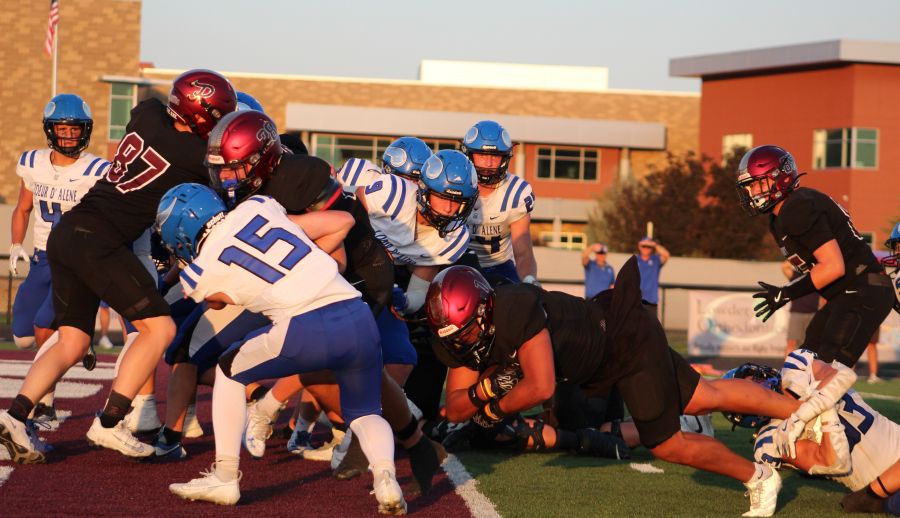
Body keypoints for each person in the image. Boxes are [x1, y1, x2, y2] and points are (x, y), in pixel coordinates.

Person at [425, 258, 808, 517]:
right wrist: (487, 391)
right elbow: (457, 408)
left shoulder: (514, 310)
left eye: (471, 328)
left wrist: (491, 406)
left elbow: (541, 387)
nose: (466, 340)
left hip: (622, 342)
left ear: (486, 309)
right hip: (608, 347)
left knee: (667, 444)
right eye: (457, 335)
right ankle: (804, 411)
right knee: (705, 397)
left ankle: (759, 477)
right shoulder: (456, 339)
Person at [0, 69, 236, 464]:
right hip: (101, 239)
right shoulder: (194, 157)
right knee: (160, 328)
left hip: (67, 230)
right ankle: (109, 424)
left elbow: (152, 119)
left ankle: (15, 417)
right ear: (200, 114)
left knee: (73, 341)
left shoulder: (145, 114)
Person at [157, 184, 405, 514]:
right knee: (365, 414)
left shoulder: (200, 269)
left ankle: (225, 475)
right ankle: (386, 478)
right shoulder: (257, 206)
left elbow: (217, 302)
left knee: (229, 370)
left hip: (305, 325)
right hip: (356, 314)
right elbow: (305, 233)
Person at [737, 145, 894, 366]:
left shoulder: (797, 207)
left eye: (757, 183)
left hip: (862, 291)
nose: (752, 192)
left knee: (823, 374)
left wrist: (786, 293)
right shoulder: (779, 217)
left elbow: (833, 266)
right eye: (749, 186)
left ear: (779, 178)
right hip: (849, 293)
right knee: (801, 367)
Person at [6, 94, 109, 431]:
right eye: (62, 128)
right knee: (22, 335)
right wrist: (16, 244)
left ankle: (45, 401)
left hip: (74, 262)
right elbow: (23, 208)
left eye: (74, 128)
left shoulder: (96, 170)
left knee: (42, 327)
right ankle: (78, 338)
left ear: (86, 130)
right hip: (40, 258)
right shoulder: (33, 162)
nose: (68, 135)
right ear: (50, 129)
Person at [751, 349, 900, 514]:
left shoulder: (797, 366)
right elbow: (833, 462)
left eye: (752, 380)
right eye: (746, 392)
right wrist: (826, 409)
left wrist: (805, 413)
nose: (755, 387)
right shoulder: (770, 439)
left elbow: (844, 376)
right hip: (882, 486)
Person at [460, 120, 538, 284]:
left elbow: (522, 251)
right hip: (455, 263)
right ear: (469, 155)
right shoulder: (454, 183)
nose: (488, 163)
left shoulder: (516, 192)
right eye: (482, 155)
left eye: (494, 156)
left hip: (498, 265)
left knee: (520, 302)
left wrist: (529, 281)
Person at [780, 260, 820, 356]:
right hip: (797, 313)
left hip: (813, 314)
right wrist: (802, 259)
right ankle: (786, 369)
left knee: (810, 345)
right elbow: (784, 266)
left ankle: (805, 369)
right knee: (792, 343)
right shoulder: (796, 276)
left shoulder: (818, 275)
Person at [636, 236, 669, 312]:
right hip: (637, 301)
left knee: (650, 323)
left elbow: (666, 255)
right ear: (640, 247)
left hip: (651, 301)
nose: (646, 248)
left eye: (648, 246)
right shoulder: (635, 260)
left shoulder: (655, 260)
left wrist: (655, 245)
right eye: (644, 246)